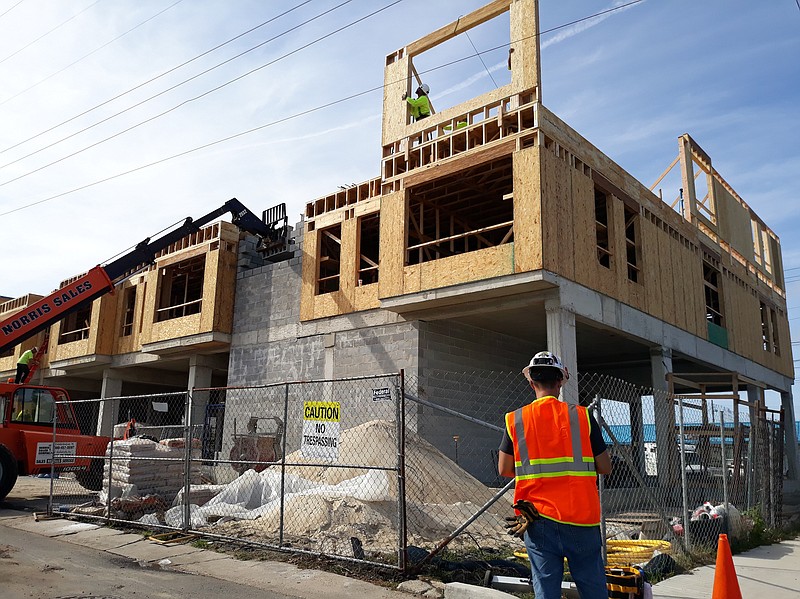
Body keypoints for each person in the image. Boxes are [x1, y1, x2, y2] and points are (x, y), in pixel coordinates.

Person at [497, 351, 612, 599]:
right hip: (582, 519)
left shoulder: (515, 419)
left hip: (537, 520)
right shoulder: (582, 416)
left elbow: (504, 469)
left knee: (546, 591)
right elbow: (605, 466)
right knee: (593, 590)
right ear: (560, 381)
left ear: (531, 382)